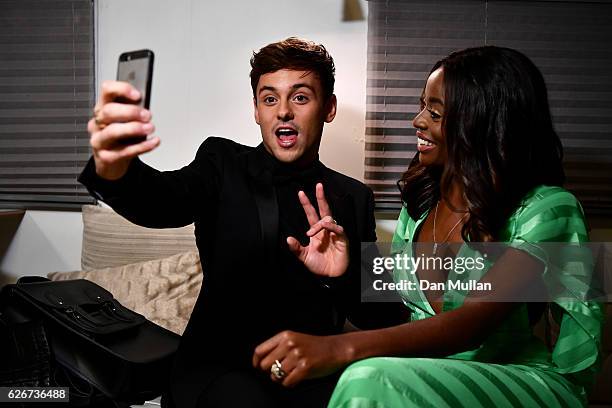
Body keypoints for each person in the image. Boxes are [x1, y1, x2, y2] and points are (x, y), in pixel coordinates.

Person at [249, 46, 603, 407]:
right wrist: (344, 274)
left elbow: (474, 321)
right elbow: (403, 321)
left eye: (435, 112)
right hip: (428, 374)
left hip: (518, 377)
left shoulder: (547, 208)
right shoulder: (418, 207)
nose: (417, 120)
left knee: (367, 376)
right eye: (422, 106)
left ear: (482, 122)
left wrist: (338, 348)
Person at [79, 37, 406, 408]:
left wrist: (344, 275)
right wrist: (115, 167)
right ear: (256, 110)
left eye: (300, 97)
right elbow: (162, 201)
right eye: (270, 99)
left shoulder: (354, 198)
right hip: (220, 370)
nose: (283, 111)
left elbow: (383, 317)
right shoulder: (222, 163)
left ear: (328, 108)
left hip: (307, 372)